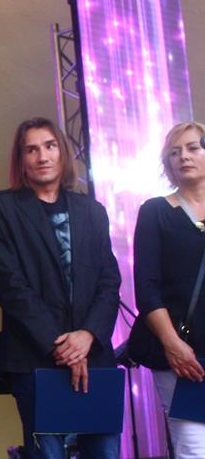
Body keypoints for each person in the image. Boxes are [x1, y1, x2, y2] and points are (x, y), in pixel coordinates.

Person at [0, 117, 121, 459]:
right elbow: (11, 287)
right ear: (21, 159)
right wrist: (63, 347)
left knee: (104, 453)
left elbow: (109, 281)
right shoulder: (0, 208)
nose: (42, 156)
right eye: (31, 149)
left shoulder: (92, 210)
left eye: (50, 146)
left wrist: (87, 336)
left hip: (95, 357)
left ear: (62, 152)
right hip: (35, 359)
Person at [132, 121, 205, 458]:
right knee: (194, 448)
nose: (184, 156)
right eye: (175, 152)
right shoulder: (155, 211)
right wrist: (172, 344)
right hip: (182, 355)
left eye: (193, 148)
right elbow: (146, 287)